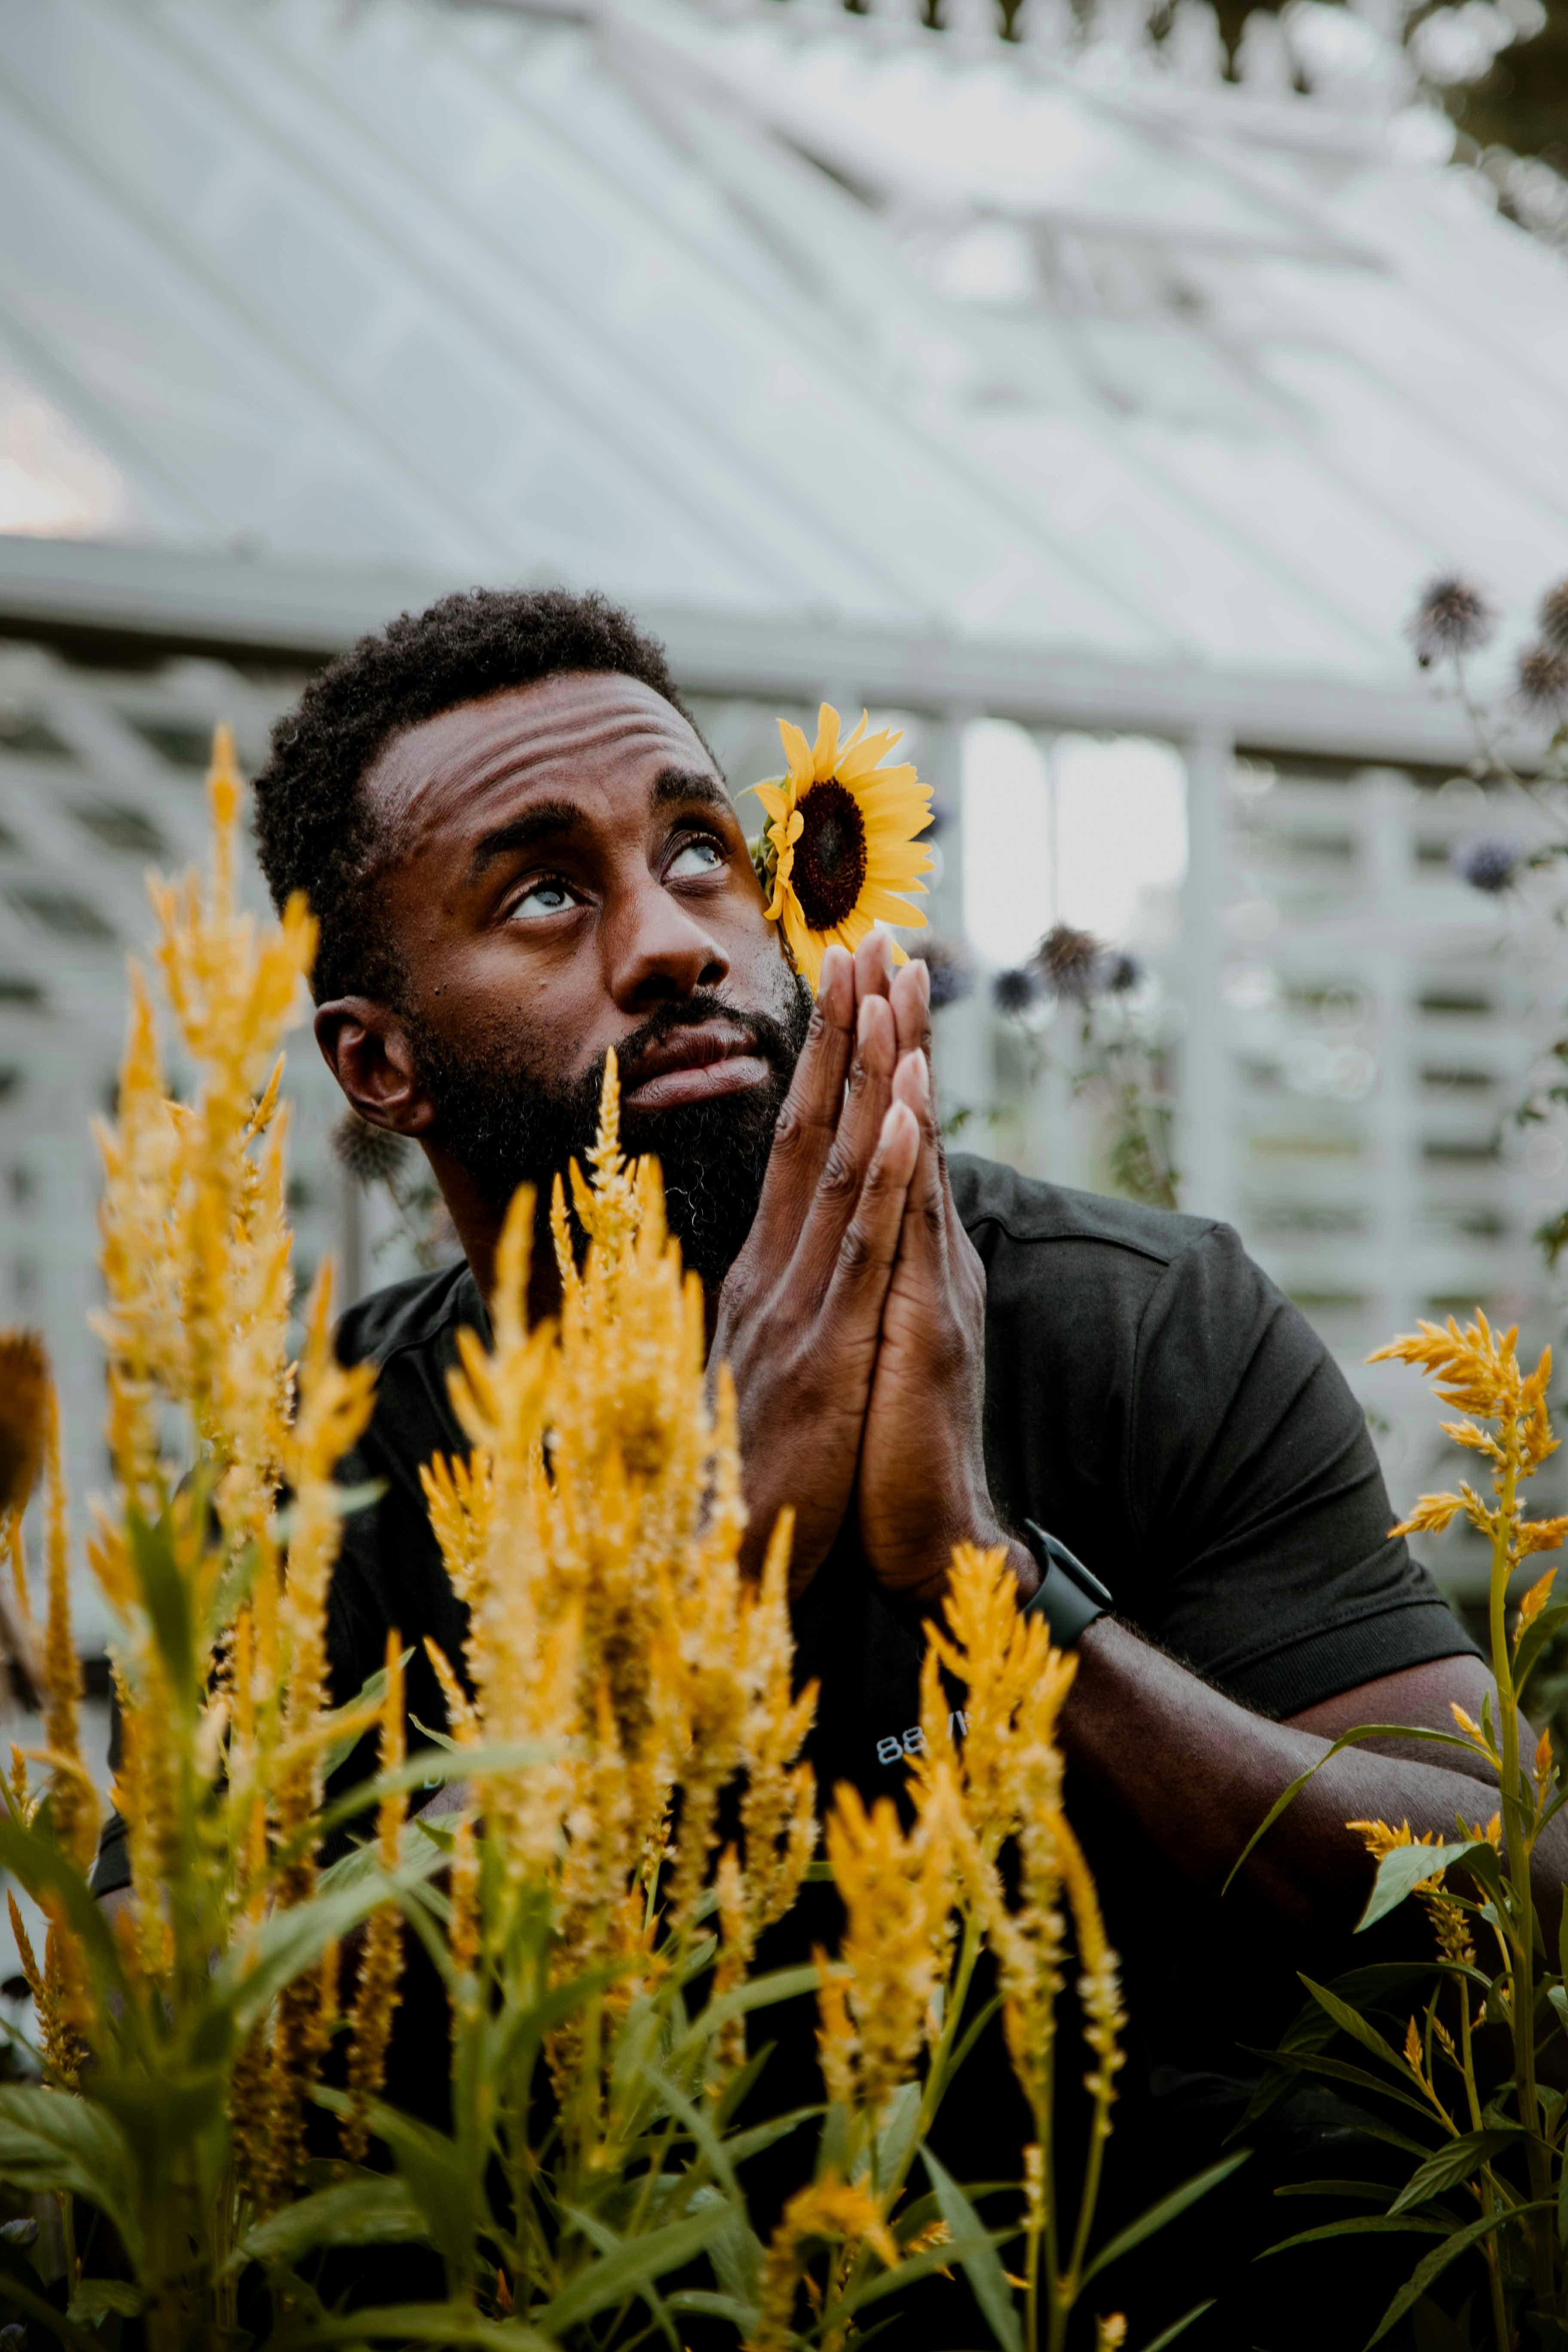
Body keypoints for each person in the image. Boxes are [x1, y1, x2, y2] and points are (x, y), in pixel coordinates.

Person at [92, 587, 1556, 2345]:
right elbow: (149, 2072)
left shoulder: (1140, 1328)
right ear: (378, 1061)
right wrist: (701, 1589)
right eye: (545, 892)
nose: (673, 942)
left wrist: (987, 1579)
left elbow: (1512, 1893)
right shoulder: (315, 1469)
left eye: (700, 853)